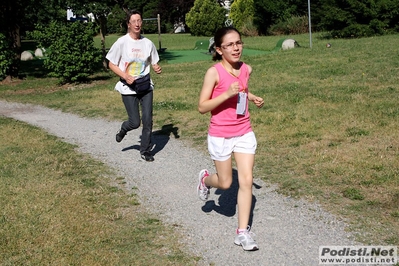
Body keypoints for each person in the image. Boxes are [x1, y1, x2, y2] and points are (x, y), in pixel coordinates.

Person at [197, 27, 264, 251]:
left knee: (245, 180)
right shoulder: (213, 73)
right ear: (219, 49)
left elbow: (242, 91)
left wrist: (252, 97)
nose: (236, 48)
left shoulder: (246, 68)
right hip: (221, 134)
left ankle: (242, 233)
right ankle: (206, 179)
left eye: (239, 43)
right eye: (230, 45)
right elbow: (202, 107)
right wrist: (225, 94)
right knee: (226, 183)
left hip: (244, 130)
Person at [106, 9, 162, 162]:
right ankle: (123, 129)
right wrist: (125, 75)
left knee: (148, 119)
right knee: (134, 122)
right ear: (128, 24)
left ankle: (145, 150)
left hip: (145, 86)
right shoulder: (121, 42)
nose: (137, 24)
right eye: (134, 21)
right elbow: (111, 63)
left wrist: (156, 67)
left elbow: (153, 61)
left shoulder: (148, 43)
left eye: (139, 21)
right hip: (128, 87)